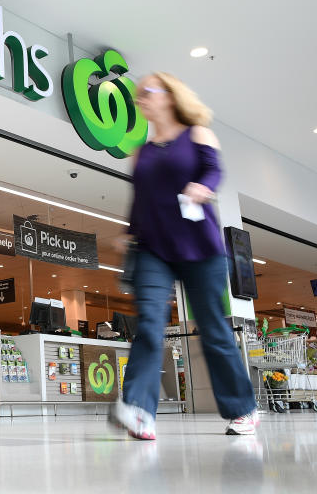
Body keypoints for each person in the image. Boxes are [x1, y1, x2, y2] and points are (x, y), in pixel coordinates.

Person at [109, 72, 257, 440]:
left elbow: (214, 170)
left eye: (148, 92)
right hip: (153, 250)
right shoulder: (141, 152)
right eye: (138, 95)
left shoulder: (198, 134)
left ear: (170, 96)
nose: (140, 98)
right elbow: (141, 201)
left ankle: (243, 410)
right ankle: (139, 411)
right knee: (149, 326)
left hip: (199, 248)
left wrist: (203, 187)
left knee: (213, 329)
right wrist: (128, 234)